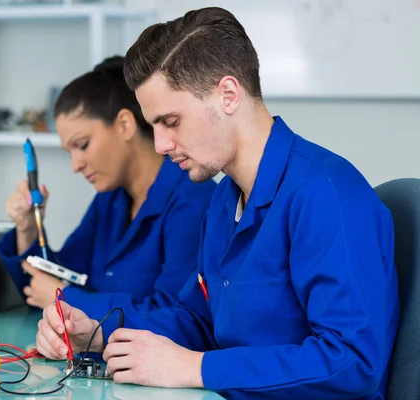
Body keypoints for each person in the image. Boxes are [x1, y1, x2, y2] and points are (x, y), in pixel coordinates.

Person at [35, 7, 400, 399]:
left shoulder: (324, 194)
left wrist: (196, 368)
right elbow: (197, 320)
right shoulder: (225, 202)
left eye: (171, 122)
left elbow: (350, 362)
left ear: (228, 94)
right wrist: (97, 332)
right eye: (154, 125)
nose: (159, 145)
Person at [0, 56, 216, 322]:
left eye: (83, 145)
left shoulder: (192, 202)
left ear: (125, 125)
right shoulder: (109, 200)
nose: (76, 165)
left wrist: (65, 297)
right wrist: (28, 228)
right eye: (69, 153)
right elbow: (48, 283)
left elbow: (174, 315)